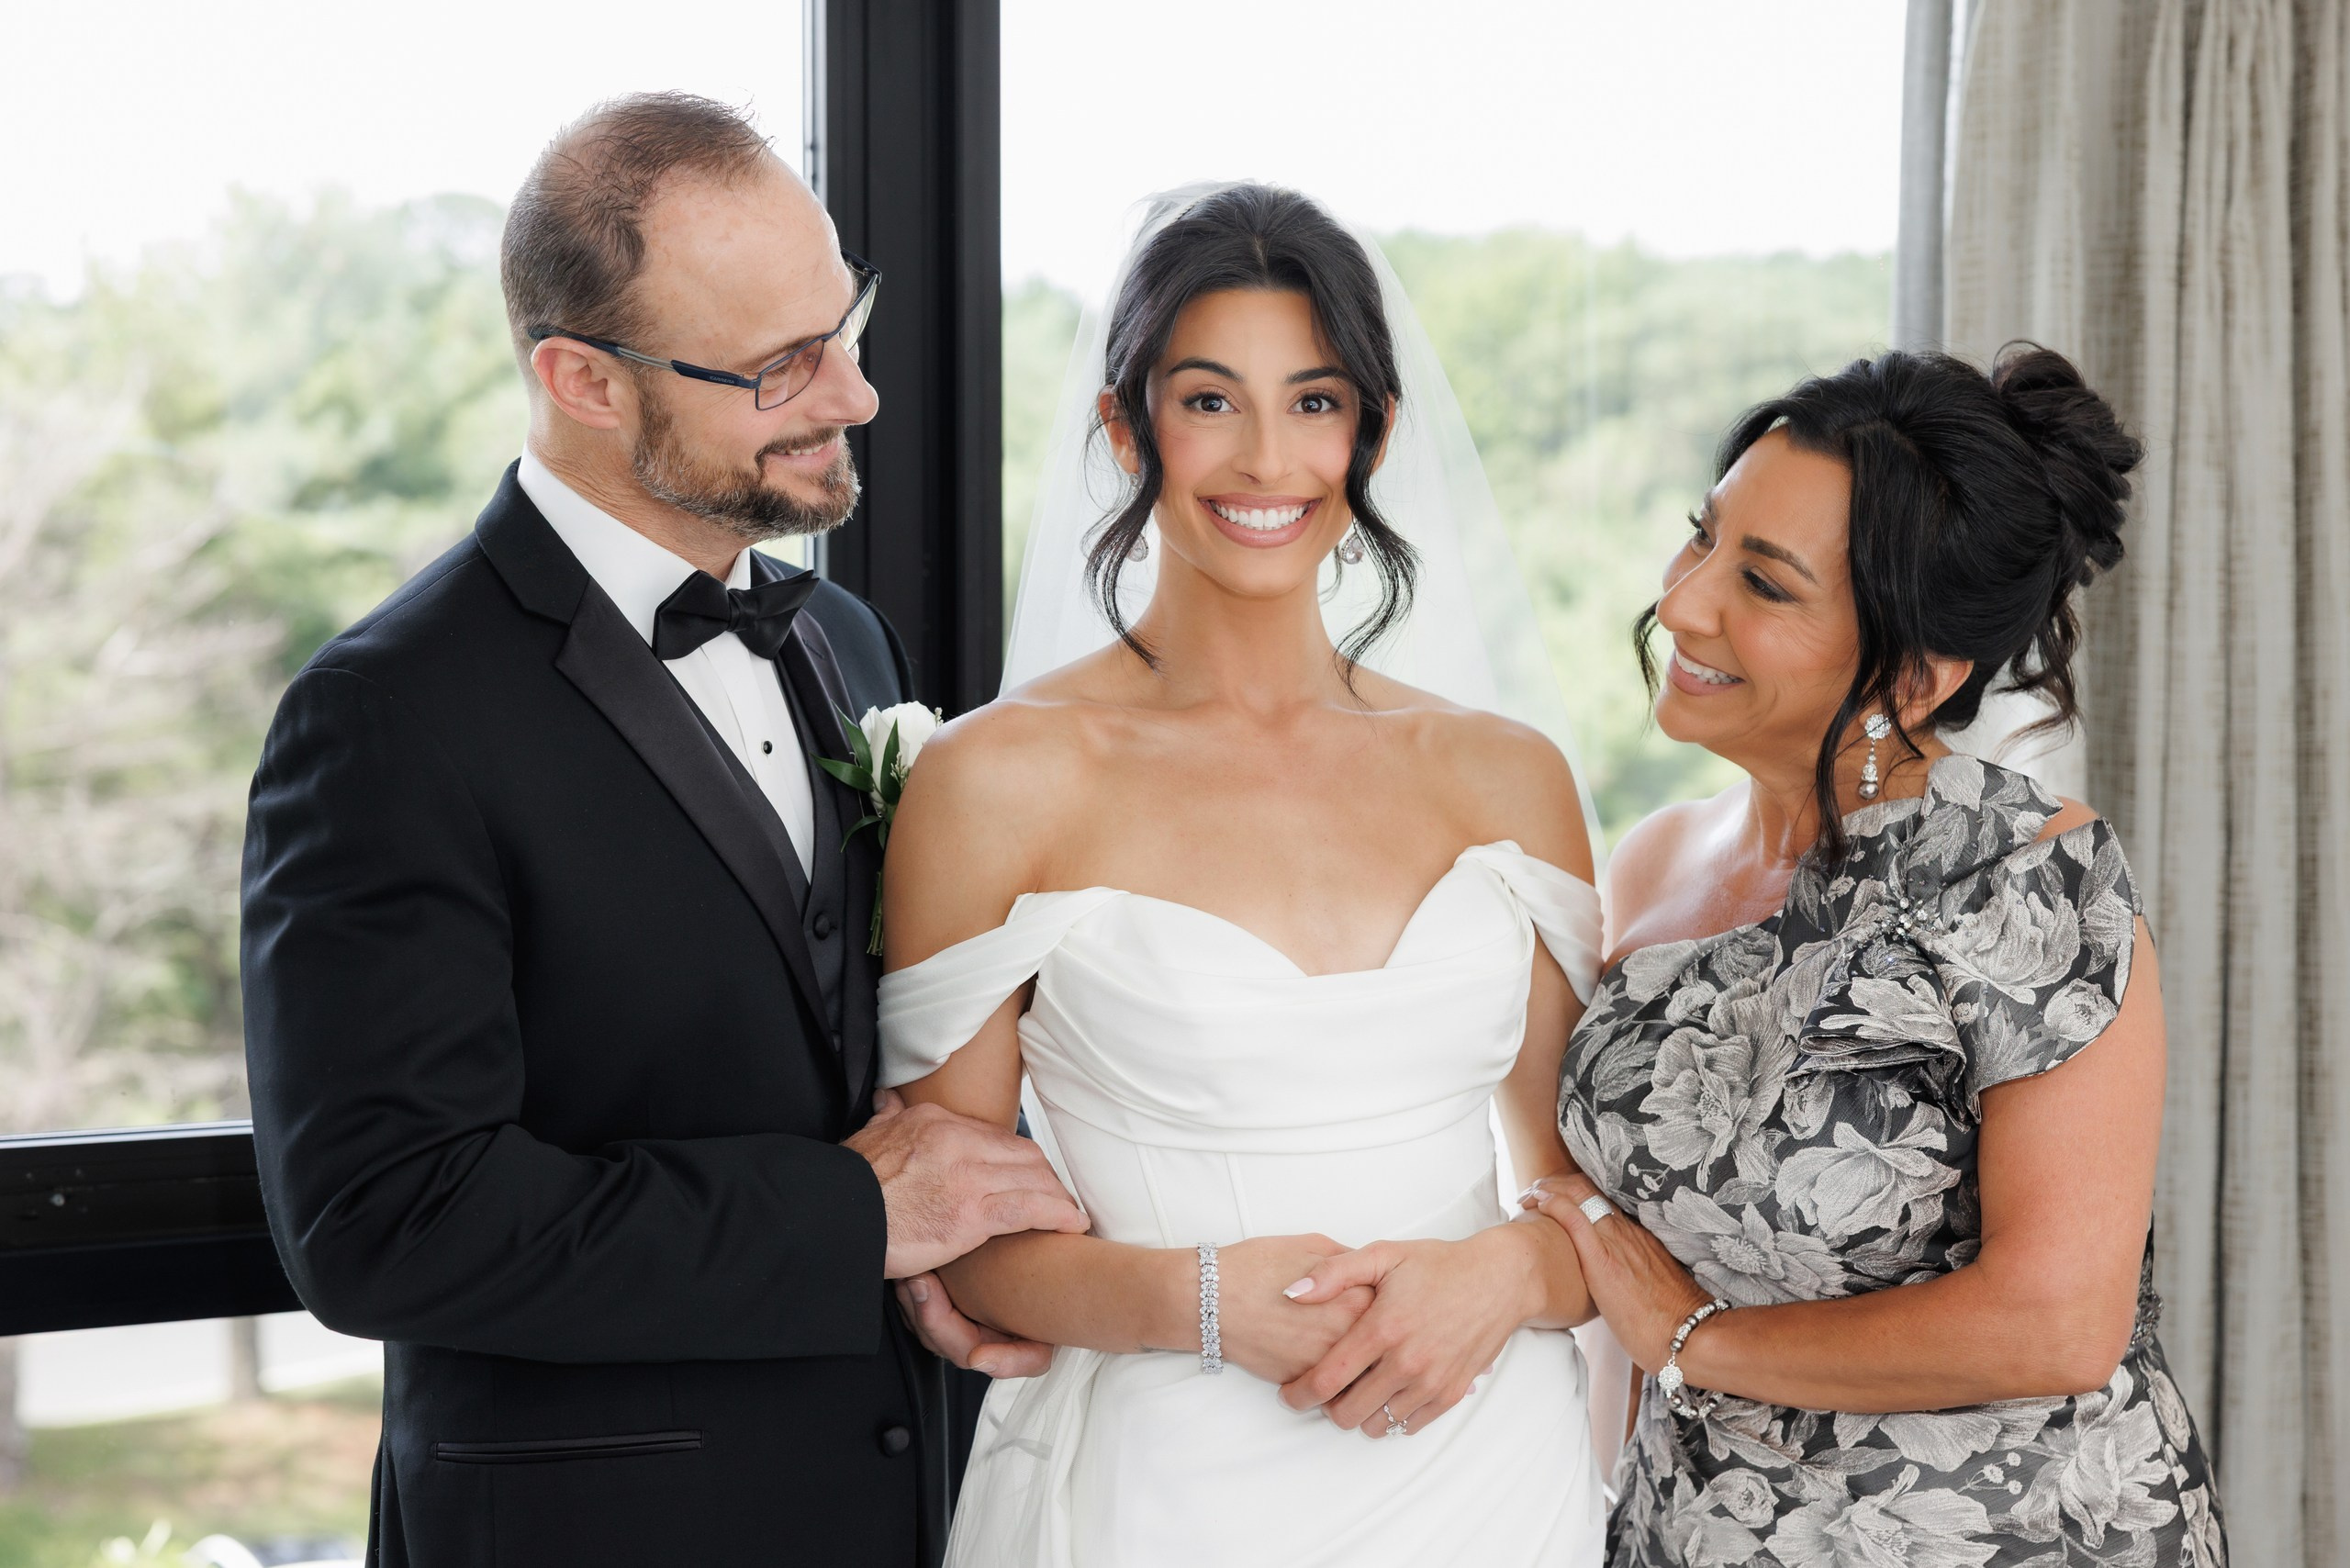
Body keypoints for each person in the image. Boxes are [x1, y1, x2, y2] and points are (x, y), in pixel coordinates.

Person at [239, 94, 1084, 1568]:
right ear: (583, 380)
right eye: (780, 366)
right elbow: (384, 1218)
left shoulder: (849, 642)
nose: (856, 394)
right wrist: (849, 1222)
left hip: (913, 1502)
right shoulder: (386, 715)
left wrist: (942, 1254)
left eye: (847, 324)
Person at [878, 184, 1607, 1566]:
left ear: (1375, 432)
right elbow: (956, 1235)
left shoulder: (1506, 777)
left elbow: (1587, 1197)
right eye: (1211, 401)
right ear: (1124, 427)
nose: (1267, 459)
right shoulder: (1000, 780)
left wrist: (1503, 1275)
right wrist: (1202, 1301)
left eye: (1316, 403)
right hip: (1162, 1484)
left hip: (1486, 1469)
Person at [1523, 347, 2229, 1566]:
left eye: (1765, 584)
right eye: (1702, 540)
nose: (1683, 604)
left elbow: (2057, 1320)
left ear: (1914, 672)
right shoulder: (1651, 864)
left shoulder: (2023, 873)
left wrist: (1692, 1343)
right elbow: (1594, 1225)